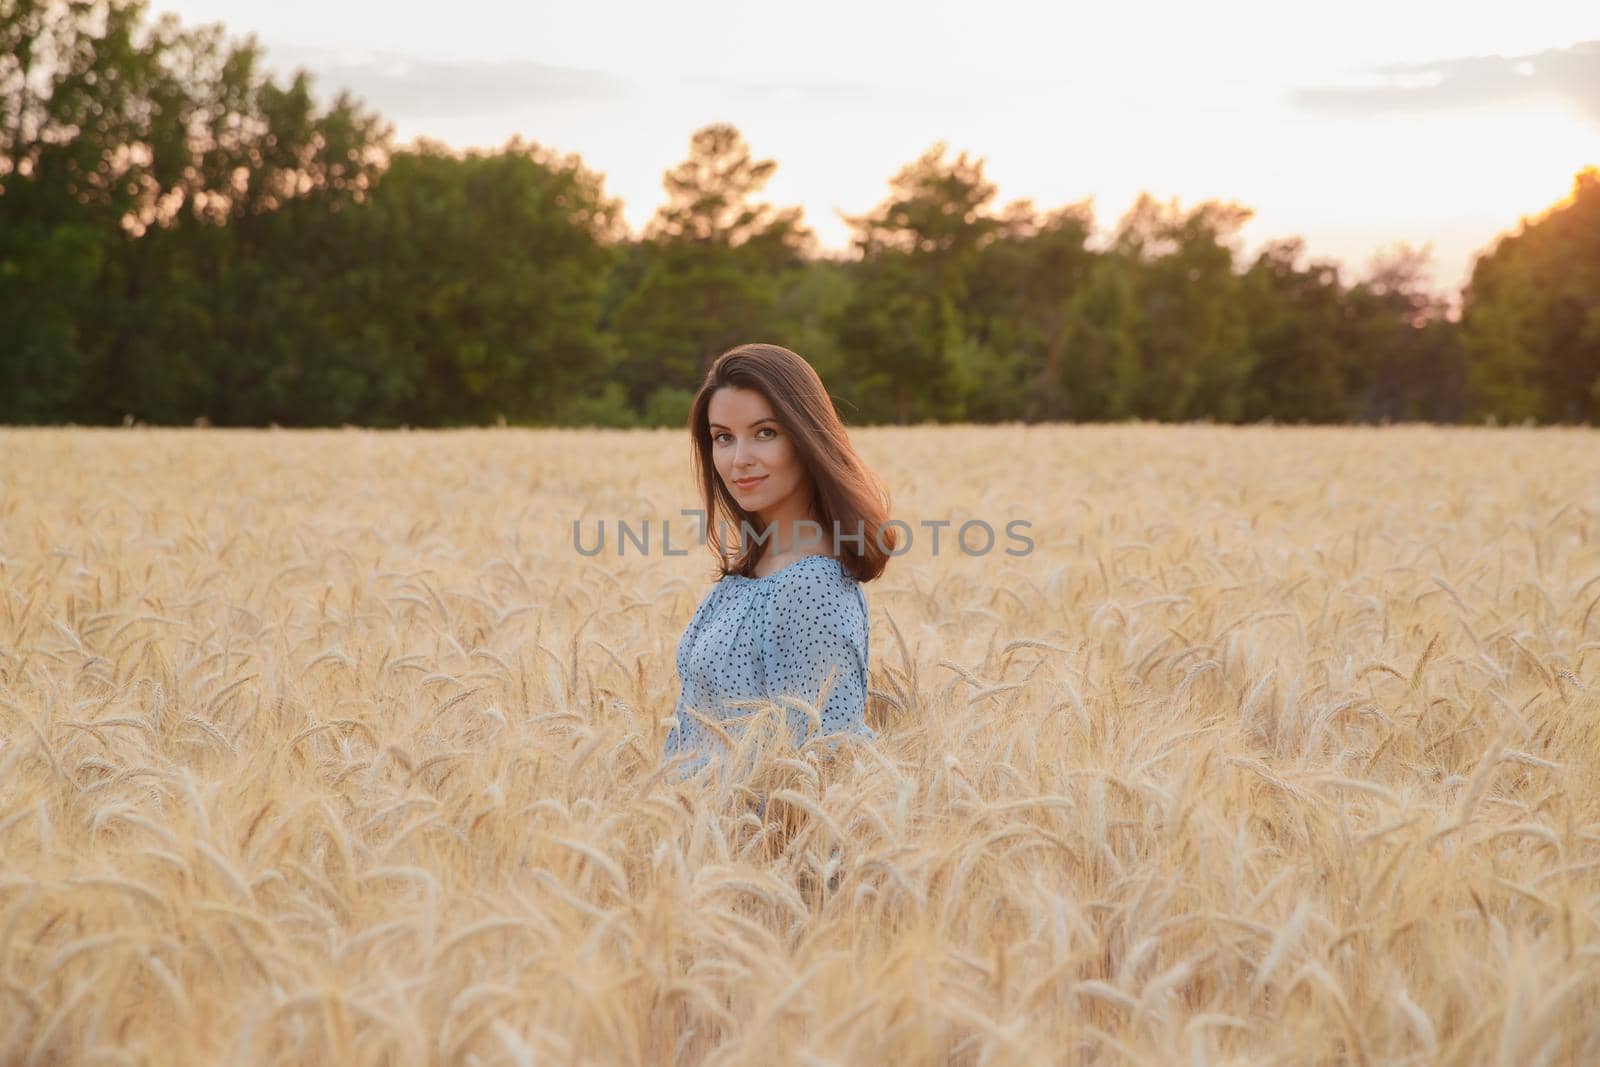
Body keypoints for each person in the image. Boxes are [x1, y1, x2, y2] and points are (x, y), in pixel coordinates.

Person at [662, 343, 898, 796]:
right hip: (696, 848)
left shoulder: (811, 585)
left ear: (807, 439)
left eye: (764, 433)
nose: (738, 459)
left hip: (755, 855)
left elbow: (821, 762)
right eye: (723, 437)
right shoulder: (751, 571)